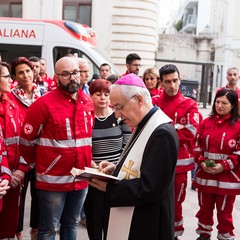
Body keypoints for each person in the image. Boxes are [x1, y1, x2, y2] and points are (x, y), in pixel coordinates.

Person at [88, 73, 178, 240]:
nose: (116, 115)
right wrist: (116, 169)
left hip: (147, 224)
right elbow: (142, 165)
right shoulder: (144, 123)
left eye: (118, 107)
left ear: (138, 100)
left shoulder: (161, 133)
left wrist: (109, 188)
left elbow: (150, 189)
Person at [17, 56, 94, 240]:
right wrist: (40, 163)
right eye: (65, 74)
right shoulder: (43, 105)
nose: (72, 77)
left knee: (71, 224)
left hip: (80, 178)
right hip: (53, 180)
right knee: (50, 228)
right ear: (56, 77)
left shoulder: (87, 102)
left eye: (75, 72)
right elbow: (26, 141)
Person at [152, 64, 201, 240]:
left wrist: (163, 133)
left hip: (179, 166)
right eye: (168, 82)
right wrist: (175, 128)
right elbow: (147, 129)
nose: (172, 85)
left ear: (179, 80)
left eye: (175, 80)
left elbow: (191, 131)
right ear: (161, 83)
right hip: (156, 164)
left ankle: (174, 236)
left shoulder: (189, 104)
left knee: (176, 203)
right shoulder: (154, 103)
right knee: (154, 200)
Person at [84, 79, 132, 240]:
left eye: (106, 94)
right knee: (94, 218)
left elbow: (128, 145)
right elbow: (83, 146)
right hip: (93, 175)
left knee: (113, 220)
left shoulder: (119, 117)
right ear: (90, 96)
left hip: (115, 175)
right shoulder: (87, 118)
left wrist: (116, 166)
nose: (103, 98)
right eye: (98, 94)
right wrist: (93, 165)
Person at [193, 88, 240, 240]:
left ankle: (225, 236)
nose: (219, 106)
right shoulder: (206, 123)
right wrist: (201, 162)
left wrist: (224, 166)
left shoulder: (238, 126)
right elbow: (196, 146)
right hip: (205, 175)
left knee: (224, 212)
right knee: (204, 209)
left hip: (227, 179)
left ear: (233, 106)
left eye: (224, 103)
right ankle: (204, 234)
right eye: (217, 102)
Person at [9, 56, 42, 240]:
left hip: (39, 155)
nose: (25, 75)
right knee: (18, 198)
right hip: (20, 157)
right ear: (14, 76)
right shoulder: (10, 96)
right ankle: (18, 233)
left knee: (39, 196)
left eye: (28, 71)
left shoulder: (43, 94)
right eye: (20, 72)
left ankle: (35, 231)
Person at [0, 62, 23, 238]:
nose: (11, 80)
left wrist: (15, 173)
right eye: (6, 76)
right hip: (4, 175)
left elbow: (19, 140)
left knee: (8, 224)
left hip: (11, 176)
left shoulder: (12, 104)